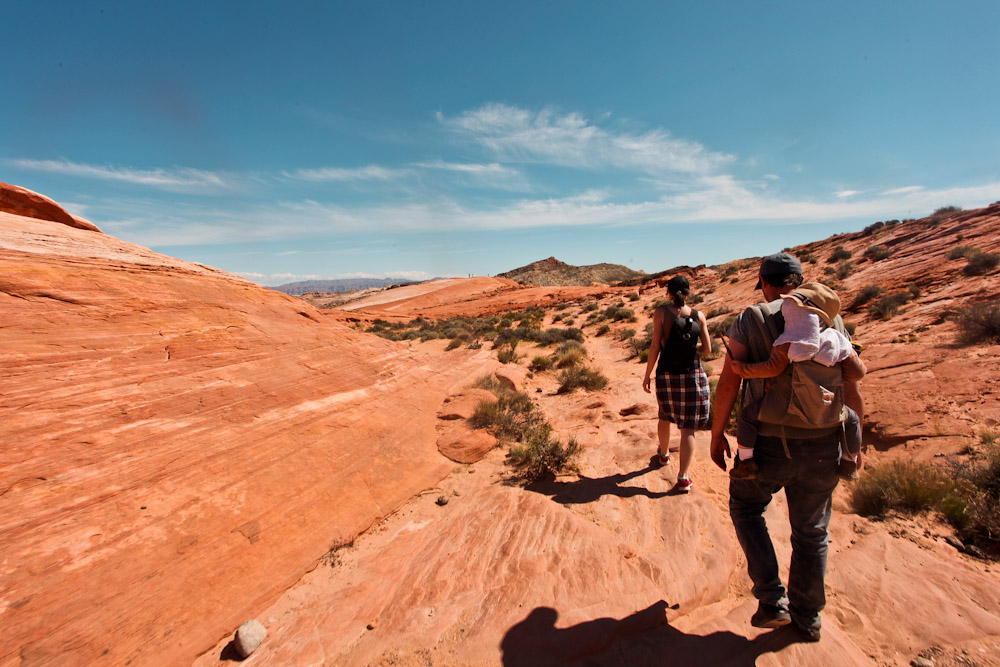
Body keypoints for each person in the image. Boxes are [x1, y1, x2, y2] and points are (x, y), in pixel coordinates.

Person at [709, 253, 865, 643]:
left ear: (765, 283)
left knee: (745, 507)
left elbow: (731, 382)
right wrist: (855, 442)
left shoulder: (751, 317)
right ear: (799, 280)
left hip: (767, 442)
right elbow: (850, 383)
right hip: (824, 440)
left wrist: (716, 433)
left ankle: (770, 601)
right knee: (812, 532)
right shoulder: (831, 316)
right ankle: (808, 618)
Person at [727, 282, 866, 481]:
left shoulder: (789, 342)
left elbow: (771, 368)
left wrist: (743, 370)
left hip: (783, 406)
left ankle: (746, 462)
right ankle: (848, 461)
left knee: (748, 416)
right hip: (827, 408)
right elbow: (857, 373)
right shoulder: (837, 340)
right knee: (851, 419)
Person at [642, 275, 712, 493]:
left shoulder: (661, 314)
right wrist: (691, 350)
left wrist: (647, 375)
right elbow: (707, 349)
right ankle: (683, 478)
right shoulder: (699, 316)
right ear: (688, 293)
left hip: (667, 372)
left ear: (668, 293)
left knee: (664, 415)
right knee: (688, 427)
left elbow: (655, 346)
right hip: (692, 373)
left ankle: (663, 456)